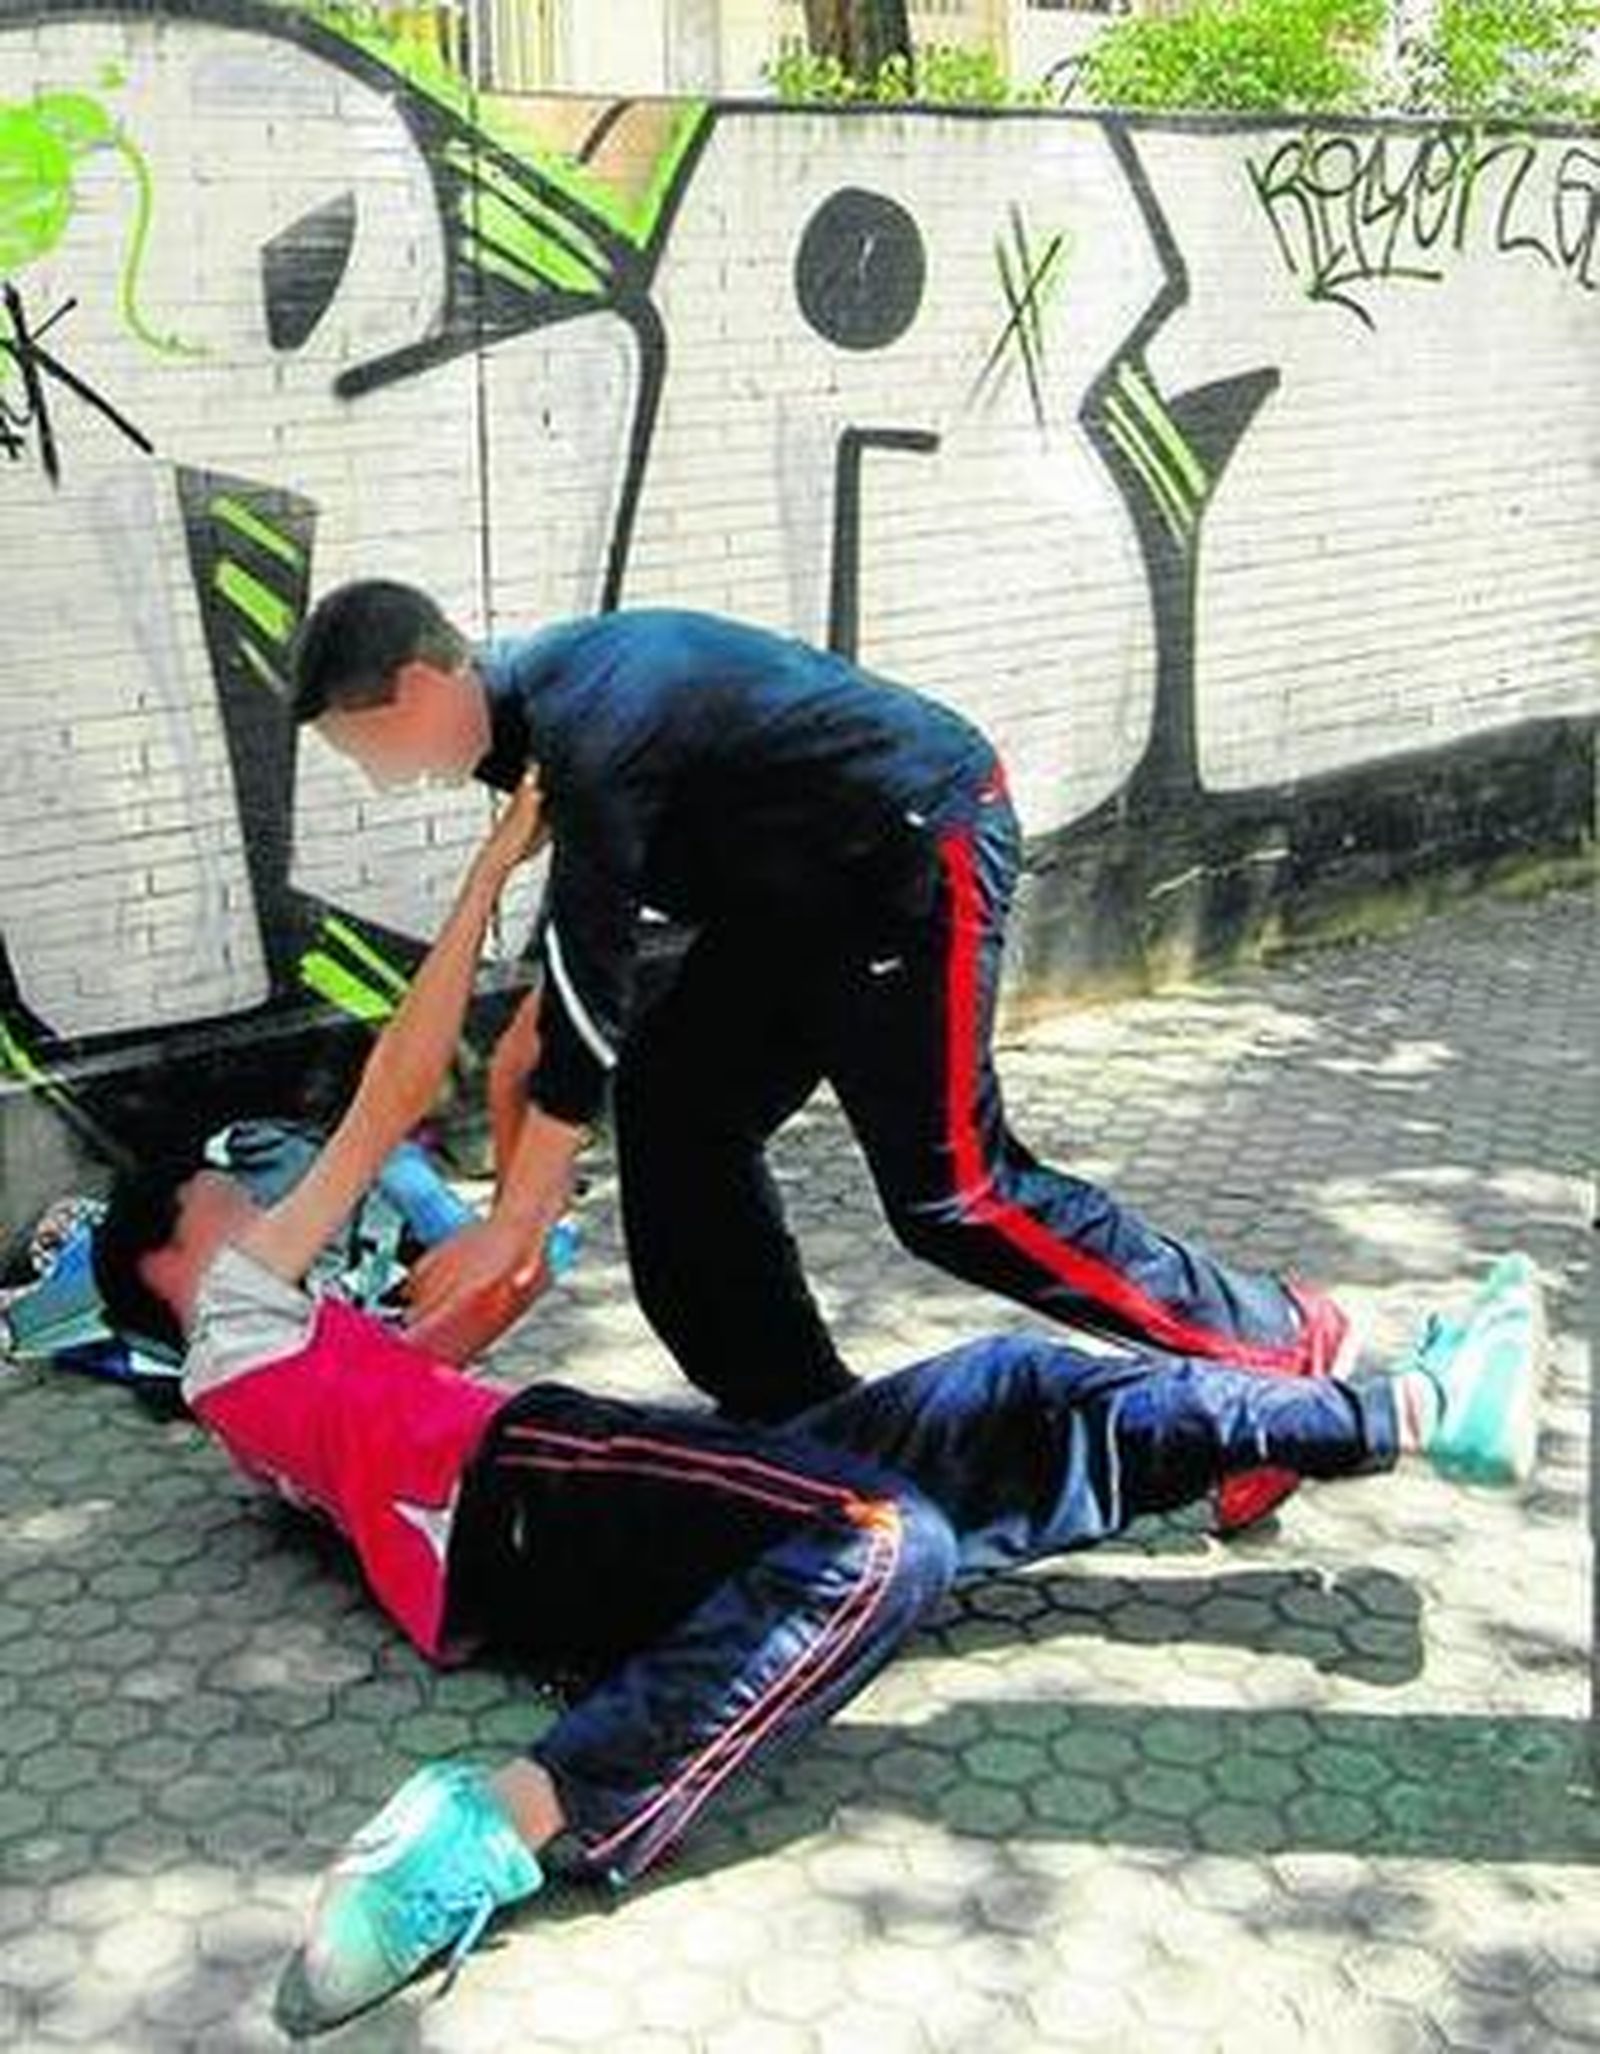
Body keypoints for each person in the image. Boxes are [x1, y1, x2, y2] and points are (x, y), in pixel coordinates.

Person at [90, 781, 1545, 2038]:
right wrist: (489, 869)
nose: (268, 1206)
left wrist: (557, 1045)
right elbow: (390, 1097)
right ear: (169, 1260)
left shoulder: (292, 1350)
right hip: (528, 1488)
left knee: (1006, 1387)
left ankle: (1414, 1406)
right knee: (881, 1541)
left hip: (554, 1496)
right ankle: (505, 1819)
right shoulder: (222, 1330)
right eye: (233, 1202)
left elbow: (480, 1289)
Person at [289, 582, 1358, 1529]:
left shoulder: (585, 712)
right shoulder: (525, 725)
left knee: (955, 1193)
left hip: (907, 850)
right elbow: (577, 942)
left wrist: (518, 1219)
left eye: (365, 746)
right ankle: (800, 1415)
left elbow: (594, 967)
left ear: (422, 687)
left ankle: (1275, 1339)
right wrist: (524, 1114)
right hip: (791, 895)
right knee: (675, 1102)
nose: (380, 779)